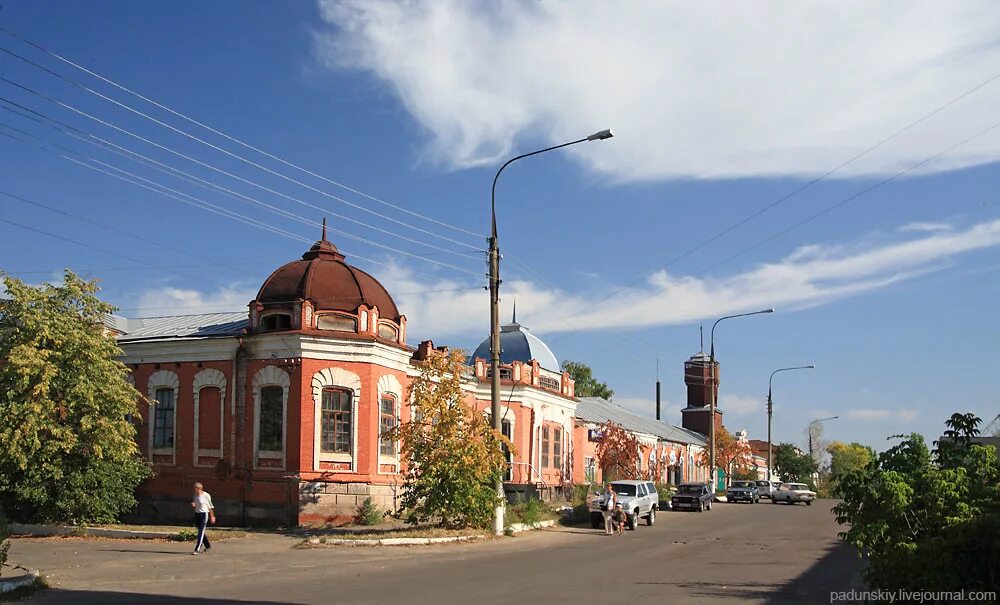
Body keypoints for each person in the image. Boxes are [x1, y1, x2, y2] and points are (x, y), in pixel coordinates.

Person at [191, 482, 215, 555]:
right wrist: (193, 505)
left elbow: (210, 507)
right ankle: (207, 546)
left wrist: (212, 516)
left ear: (200, 489)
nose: (195, 491)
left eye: (195, 489)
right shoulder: (195, 495)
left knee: (201, 532)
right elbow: (196, 504)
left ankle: (197, 548)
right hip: (197, 514)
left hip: (204, 514)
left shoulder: (206, 495)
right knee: (200, 532)